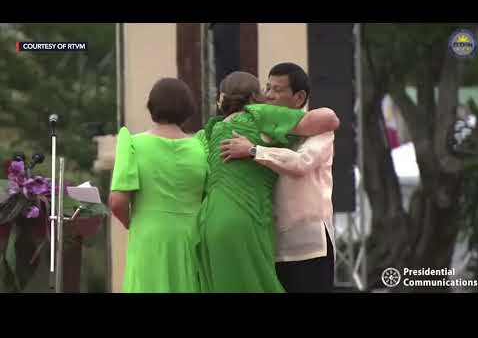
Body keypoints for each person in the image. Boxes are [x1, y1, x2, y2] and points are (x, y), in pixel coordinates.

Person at [197, 71, 339, 293]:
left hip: (213, 220)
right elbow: (329, 119)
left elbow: (302, 162)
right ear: (255, 96)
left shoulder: (215, 128)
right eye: (267, 89)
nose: (270, 95)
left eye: (276, 89)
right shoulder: (257, 117)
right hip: (257, 227)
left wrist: (254, 150)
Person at [109, 78, 208, 293]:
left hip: (149, 235)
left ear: (152, 106)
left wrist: (132, 223)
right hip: (192, 236)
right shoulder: (201, 146)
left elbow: (117, 201)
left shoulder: (133, 144)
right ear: (187, 109)